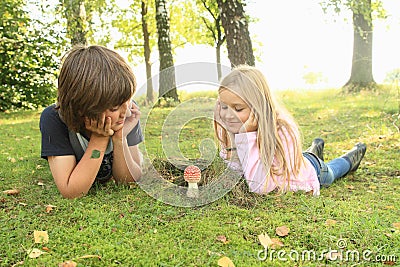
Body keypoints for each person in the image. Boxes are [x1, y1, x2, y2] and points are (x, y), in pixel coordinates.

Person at [214, 65, 366, 196]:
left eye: (238, 108)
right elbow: (235, 170)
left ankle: (352, 156)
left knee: (333, 170)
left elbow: (259, 186)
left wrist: (247, 135)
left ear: (258, 107)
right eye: (224, 107)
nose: (228, 115)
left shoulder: (282, 130)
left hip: (313, 171)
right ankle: (315, 148)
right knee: (306, 156)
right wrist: (234, 137)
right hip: (295, 158)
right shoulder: (230, 127)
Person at [40, 45, 143, 199]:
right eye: (115, 107)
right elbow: (72, 191)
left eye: (127, 101)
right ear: (83, 108)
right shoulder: (54, 118)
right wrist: (99, 139)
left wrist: (119, 138)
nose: (126, 112)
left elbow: (129, 181)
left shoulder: (127, 113)